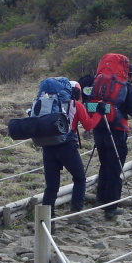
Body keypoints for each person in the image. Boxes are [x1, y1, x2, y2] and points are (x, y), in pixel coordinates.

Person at [91, 55, 132, 220]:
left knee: (104, 163)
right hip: (117, 130)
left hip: (98, 129)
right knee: (115, 168)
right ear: (128, 73)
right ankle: (111, 207)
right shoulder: (126, 87)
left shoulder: (98, 84)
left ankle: (100, 198)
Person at [41, 80, 102, 218]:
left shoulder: (48, 105)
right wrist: (98, 113)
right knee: (80, 178)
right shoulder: (76, 105)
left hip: (48, 146)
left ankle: (46, 219)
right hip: (67, 146)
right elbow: (89, 125)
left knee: (51, 186)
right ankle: (75, 213)